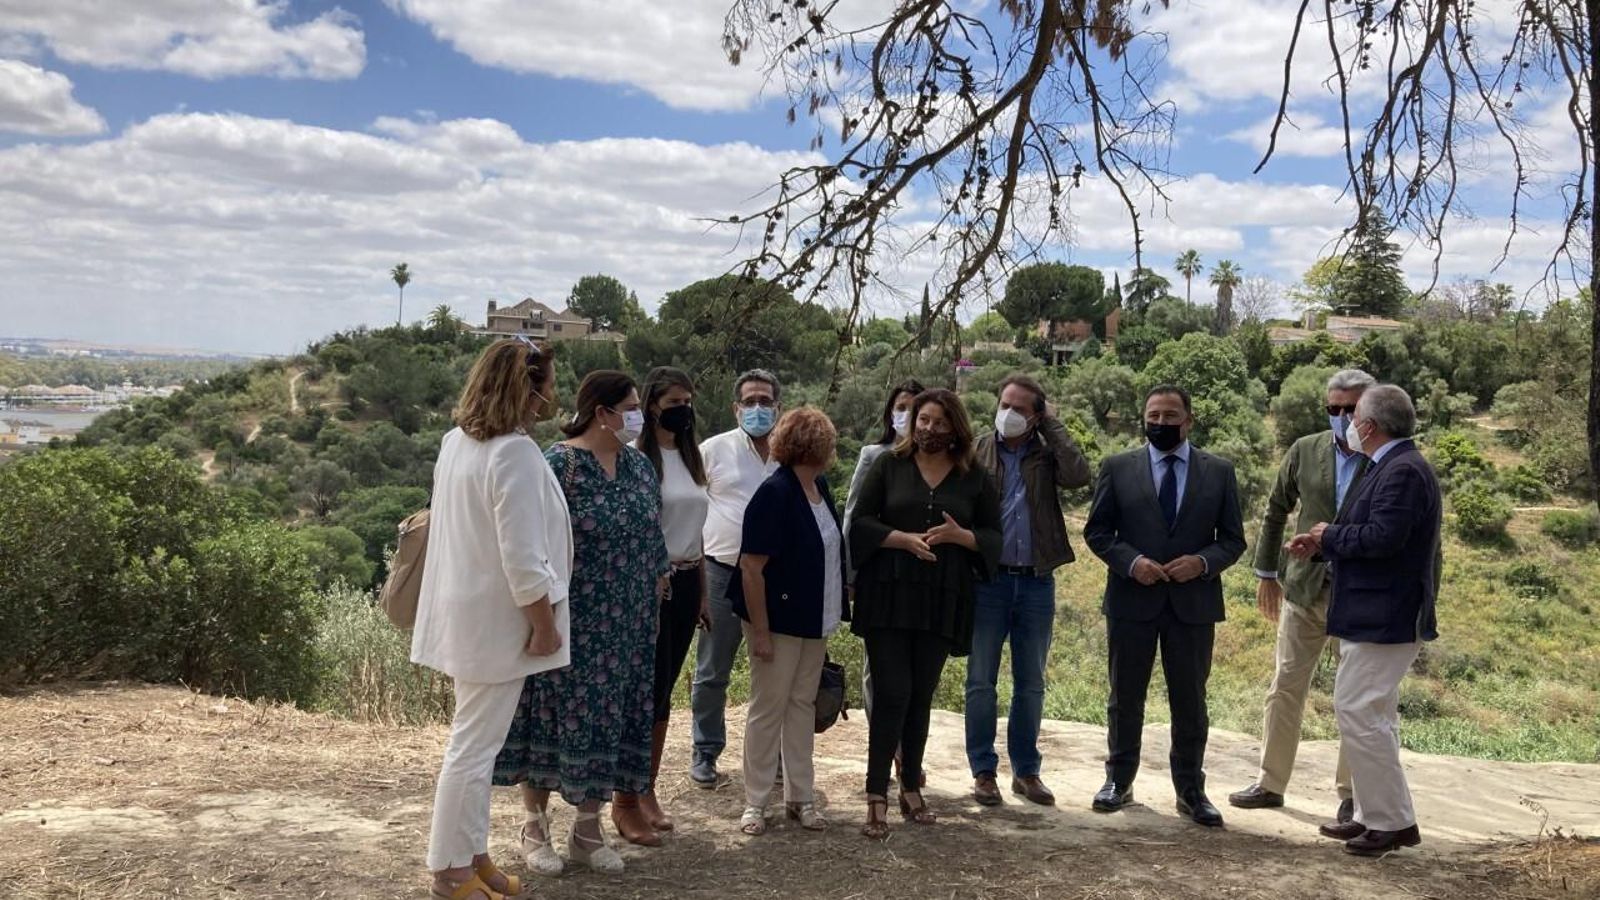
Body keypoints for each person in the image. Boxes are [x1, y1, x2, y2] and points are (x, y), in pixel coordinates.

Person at [492, 370, 669, 875]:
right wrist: (540, 616)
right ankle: (534, 826)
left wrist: (655, 599)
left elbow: (652, 536)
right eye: (629, 408)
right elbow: (532, 541)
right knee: (552, 717)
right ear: (601, 413)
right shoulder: (560, 465)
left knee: (610, 721)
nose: (637, 417)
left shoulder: (639, 466)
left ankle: (587, 830)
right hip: (574, 619)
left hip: (629, 623)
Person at [411, 338, 569, 900]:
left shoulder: (457, 442)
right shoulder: (514, 453)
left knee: (478, 743)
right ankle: (449, 871)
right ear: (529, 389)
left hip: (465, 612)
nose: (553, 394)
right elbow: (522, 557)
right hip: (501, 622)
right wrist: (544, 624)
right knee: (474, 748)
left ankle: (472, 855)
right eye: (549, 384)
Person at [1286, 384, 1441, 857]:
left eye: (1353, 417)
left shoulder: (1402, 471)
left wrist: (1330, 536)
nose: (1347, 423)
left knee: (1357, 710)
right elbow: (1374, 533)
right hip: (1376, 613)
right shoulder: (1390, 466)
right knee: (1374, 715)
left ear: (1369, 427)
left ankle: (1392, 822)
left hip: (1384, 615)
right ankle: (1374, 815)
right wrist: (1324, 543)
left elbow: (1384, 538)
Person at [1082, 385, 1246, 828]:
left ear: (1188, 420)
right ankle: (1118, 780)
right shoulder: (1118, 467)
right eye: (1153, 415)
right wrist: (1131, 563)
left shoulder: (1219, 471)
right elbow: (1097, 532)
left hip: (1193, 605)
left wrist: (1202, 563)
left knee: (1190, 701)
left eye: (1171, 415)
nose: (1160, 423)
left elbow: (1233, 540)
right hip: (1131, 600)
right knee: (1125, 697)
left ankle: (1191, 790)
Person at [849, 388, 1001, 840]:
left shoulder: (973, 476)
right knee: (892, 692)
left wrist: (961, 536)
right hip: (888, 594)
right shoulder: (888, 465)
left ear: (956, 428)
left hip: (942, 597)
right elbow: (860, 523)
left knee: (920, 695)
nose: (929, 429)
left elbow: (993, 537)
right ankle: (876, 793)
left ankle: (911, 786)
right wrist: (900, 539)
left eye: (939, 422)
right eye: (923, 420)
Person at [1229, 369, 1374, 822]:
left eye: (1351, 408)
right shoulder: (1306, 450)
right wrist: (1266, 573)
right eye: (1334, 408)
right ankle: (1270, 783)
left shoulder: (1387, 457)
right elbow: (1276, 510)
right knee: (1285, 687)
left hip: (1361, 593)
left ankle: (1351, 795)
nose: (1342, 416)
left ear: (1371, 408)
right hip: (1304, 588)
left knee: (1355, 697)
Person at [967, 374, 1091, 807]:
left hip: (1037, 581)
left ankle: (1026, 771)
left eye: (1020, 409)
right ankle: (984, 771)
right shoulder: (977, 449)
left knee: (1031, 682)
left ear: (1036, 416)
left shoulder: (1046, 453)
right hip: (988, 579)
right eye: (1005, 404)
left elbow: (1078, 475)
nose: (1008, 414)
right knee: (980, 680)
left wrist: (1052, 425)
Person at [731, 407, 848, 835]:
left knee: (802, 706)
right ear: (816, 446)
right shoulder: (775, 492)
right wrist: (760, 632)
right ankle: (755, 803)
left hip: (814, 619)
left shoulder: (819, 487)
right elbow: (751, 568)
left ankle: (801, 797)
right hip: (775, 621)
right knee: (769, 708)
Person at [689, 369, 782, 787]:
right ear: (736, 408)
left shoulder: (789, 452)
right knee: (713, 670)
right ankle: (705, 751)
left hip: (777, 579)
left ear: (777, 407)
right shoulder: (712, 450)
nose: (757, 408)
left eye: (765, 401)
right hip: (721, 573)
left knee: (775, 672)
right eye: (750, 401)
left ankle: (771, 757)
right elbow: (691, 508)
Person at [634, 367, 712, 837]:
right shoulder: (636, 458)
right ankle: (630, 794)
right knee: (647, 688)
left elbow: (696, 531)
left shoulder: (691, 457)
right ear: (652, 407)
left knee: (663, 693)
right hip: (649, 585)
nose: (683, 410)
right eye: (674, 402)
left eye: (688, 401)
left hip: (686, 582)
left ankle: (648, 787)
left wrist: (702, 592)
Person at [842, 379, 923, 743]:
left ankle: (908, 748)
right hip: (878, 574)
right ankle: (885, 748)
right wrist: (850, 574)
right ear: (890, 413)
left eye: (915, 408)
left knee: (915, 668)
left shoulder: (939, 460)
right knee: (877, 666)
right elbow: (853, 517)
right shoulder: (873, 455)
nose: (907, 415)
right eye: (901, 407)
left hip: (922, 576)